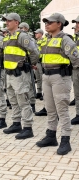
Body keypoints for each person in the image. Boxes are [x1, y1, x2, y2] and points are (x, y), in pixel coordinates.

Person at [36, 13, 79, 155]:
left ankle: (65, 140)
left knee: (62, 110)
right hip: (47, 77)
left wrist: (67, 72)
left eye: (50, 22)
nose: (47, 24)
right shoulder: (48, 39)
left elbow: (76, 59)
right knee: (50, 109)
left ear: (59, 23)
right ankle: (51, 136)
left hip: (60, 77)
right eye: (46, 22)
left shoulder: (65, 39)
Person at [1, 13, 39, 139]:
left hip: (20, 73)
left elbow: (34, 51)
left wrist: (29, 64)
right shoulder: (7, 37)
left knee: (23, 101)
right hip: (9, 74)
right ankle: (16, 124)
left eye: (9, 21)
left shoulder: (22, 36)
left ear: (16, 22)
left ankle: (28, 127)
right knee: (13, 100)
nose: (6, 23)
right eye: (6, 21)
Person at [18, 22, 37, 112]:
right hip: (21, 65)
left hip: (27, 65)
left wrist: (32, 63)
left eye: (22, 28)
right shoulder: (18, 37)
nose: (20, 29)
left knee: (29, 85)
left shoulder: (29, 39)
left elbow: (34, 51)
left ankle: (32, 104)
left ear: (26, 28)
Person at [70, 16, 79, 124]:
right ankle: (78, 114)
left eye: (78, 23)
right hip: (76, 68)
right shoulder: (75, 37)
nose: (76, 25)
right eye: (76, 23)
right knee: (77, 93)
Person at [34, 28, 44, 100]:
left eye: (37, 33)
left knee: (42, 77)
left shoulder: (44, 41)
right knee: (37, 78)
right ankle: (39, 92)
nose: (35, 34)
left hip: (41, 62)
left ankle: (44, 93)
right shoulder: (35, 42)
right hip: (36, 62)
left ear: (40, 34)